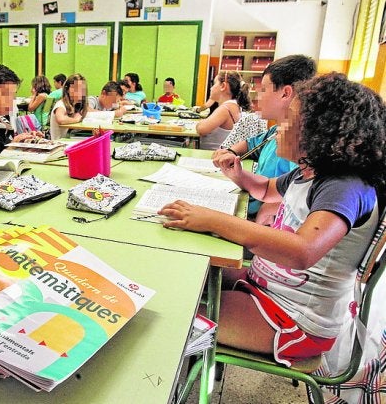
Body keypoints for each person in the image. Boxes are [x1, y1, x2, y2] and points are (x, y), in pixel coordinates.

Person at [160, 72, 386, 368]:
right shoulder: (309, 171)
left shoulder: (343, 186)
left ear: (323, 133)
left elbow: (302, 251)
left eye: (289, 120)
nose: (279, 126)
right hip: (267, 288)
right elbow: (267, 189)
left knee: (174, 313)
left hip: (295, 317)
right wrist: (238, 175)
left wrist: (213, 220)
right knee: (184, 274)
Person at [212, 55, 316, 221]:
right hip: (250, 202)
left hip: (261, 220)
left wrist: (264, 213)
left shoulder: (296, 146)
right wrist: (230, 151)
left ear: (285, 93)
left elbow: (293, 196)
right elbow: (250, 143)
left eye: (263, 90)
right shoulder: (276, 130)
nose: (258, 97)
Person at [196, 70, 252, 150]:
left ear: (223, 86)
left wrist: (200, 123)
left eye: (214, 84)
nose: (211, 88)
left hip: (212, 155)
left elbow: (201, 129)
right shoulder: (234, 105)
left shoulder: (225, 109)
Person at [49, 73, 88, 140]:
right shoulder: (60, 105)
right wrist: (76, 119)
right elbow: (60, 120)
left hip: (69, 141)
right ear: (67, 89)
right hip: (59, 144)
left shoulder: (75, 105)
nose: (79, 92)